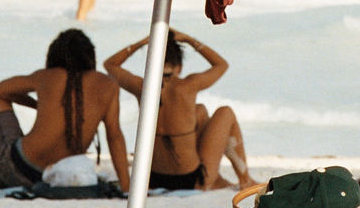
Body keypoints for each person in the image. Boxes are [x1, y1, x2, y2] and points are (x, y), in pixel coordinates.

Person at [0, 29, 130, 193]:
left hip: (20, 167)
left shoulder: (46, 76)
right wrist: (126, 185)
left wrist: (35, 103)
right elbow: (114, 136)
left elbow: (0, 89)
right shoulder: (108, 85)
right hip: (58, 175)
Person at [104, 28, 253, 191]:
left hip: (154, 178)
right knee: (225, 112)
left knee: (200, 110)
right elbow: (221, 65)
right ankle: (245, 179)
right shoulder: (189, 85)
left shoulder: (141, 86)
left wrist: (143, 42)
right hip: (192, 180)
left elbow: (109, 64)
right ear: (179, 66)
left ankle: (218, 178)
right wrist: (190, 40)